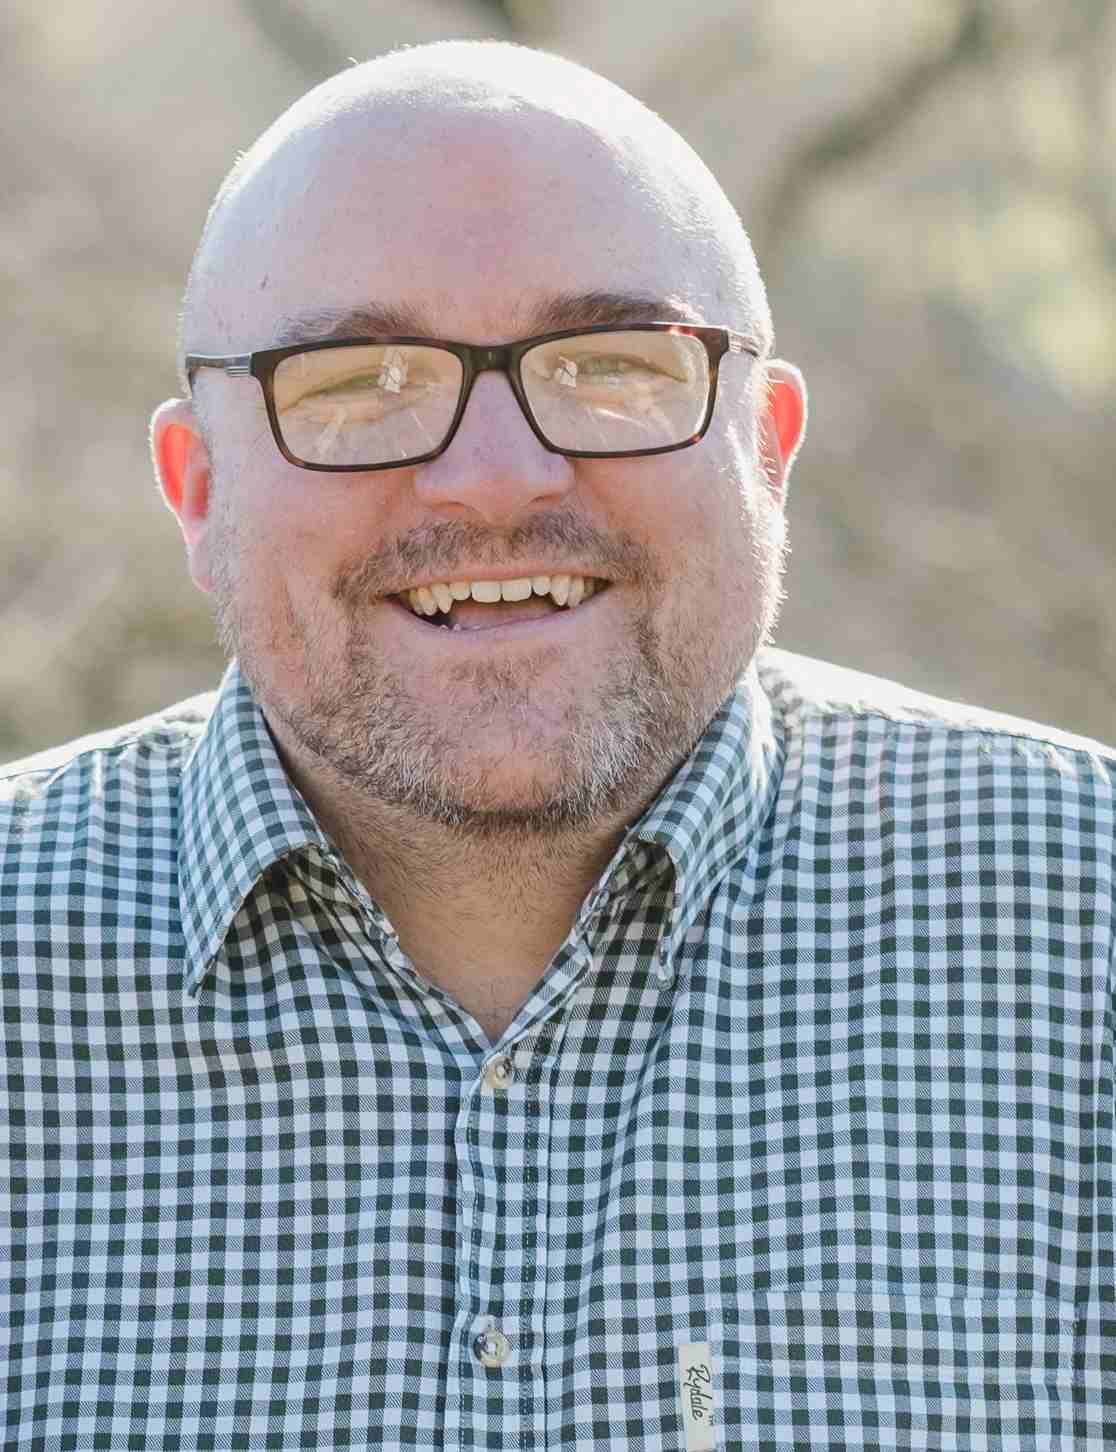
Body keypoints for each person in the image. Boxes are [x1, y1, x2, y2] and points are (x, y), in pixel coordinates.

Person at [1, 38, 1111, 1451]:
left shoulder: (1088, 941)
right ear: (197, 486)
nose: (496, 477)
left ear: (768, 450)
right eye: (361, 382)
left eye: (610, 368)